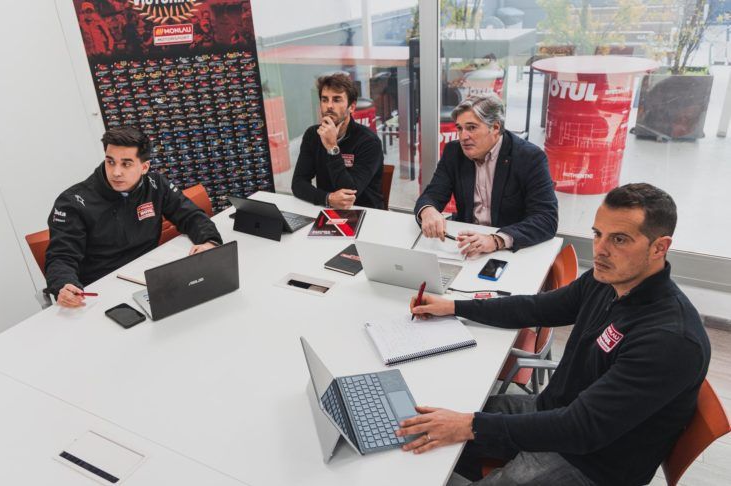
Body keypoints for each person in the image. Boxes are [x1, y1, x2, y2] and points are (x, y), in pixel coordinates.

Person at [401, 183, 710, 486]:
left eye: (619, 239)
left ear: (659, 247)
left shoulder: (670, 339)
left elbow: (581, 428)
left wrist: (470, 426)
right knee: (421, 423)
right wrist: (454, 306)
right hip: (555, 412)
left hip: (593, 462)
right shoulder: (607, 280)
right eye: (598, 234)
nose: (601, 250)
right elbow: (536, 308)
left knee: (458, 429)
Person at [45, 127, 222, 308]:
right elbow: (61, 257)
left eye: (126, 164)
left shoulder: (155, 184)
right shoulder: (72, 202)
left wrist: (210, 242)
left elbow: (191, 215)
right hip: (102, 291)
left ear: (144, 167)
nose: (116, 172)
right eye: (110, 162)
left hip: (151, 280)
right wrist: (64, 284)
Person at [414, 94, 558, 257]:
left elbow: (546, 219)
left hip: (511, 249)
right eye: (460, 128)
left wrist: (496, 240)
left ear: (495, 127)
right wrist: (428, 210)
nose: (463, 137)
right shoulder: (454, 152)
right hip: (466, 244)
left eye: (471, 128)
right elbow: (432, 194)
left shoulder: (529, 157)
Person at [291, 73, 384, 209]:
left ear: (351, 107)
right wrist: (327, 198)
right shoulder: (313, 135)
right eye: (324, 100)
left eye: (336, 100)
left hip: (365, 213)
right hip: (327, 210)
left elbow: (349, 194)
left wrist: (332, 148)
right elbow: (298, 183)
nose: (329, 106)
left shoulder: (369, 142)